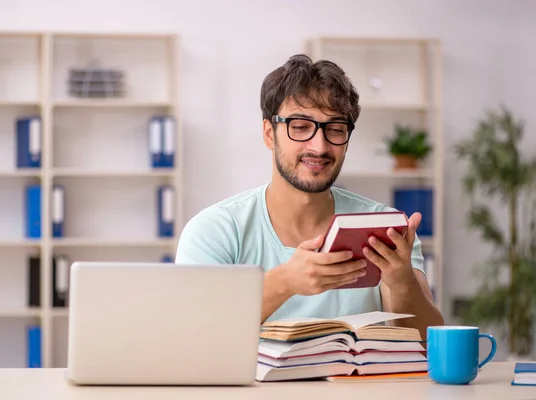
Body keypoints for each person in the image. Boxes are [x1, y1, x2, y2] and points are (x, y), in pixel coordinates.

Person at [175, 54, 444, 339]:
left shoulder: (384, 228)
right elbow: (195, 336)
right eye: (301, 127)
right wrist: (286, 282)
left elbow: (431, 347)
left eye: (335, 129)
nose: (320, 146)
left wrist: (400, 281)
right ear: (269, 133)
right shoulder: (214, 231)